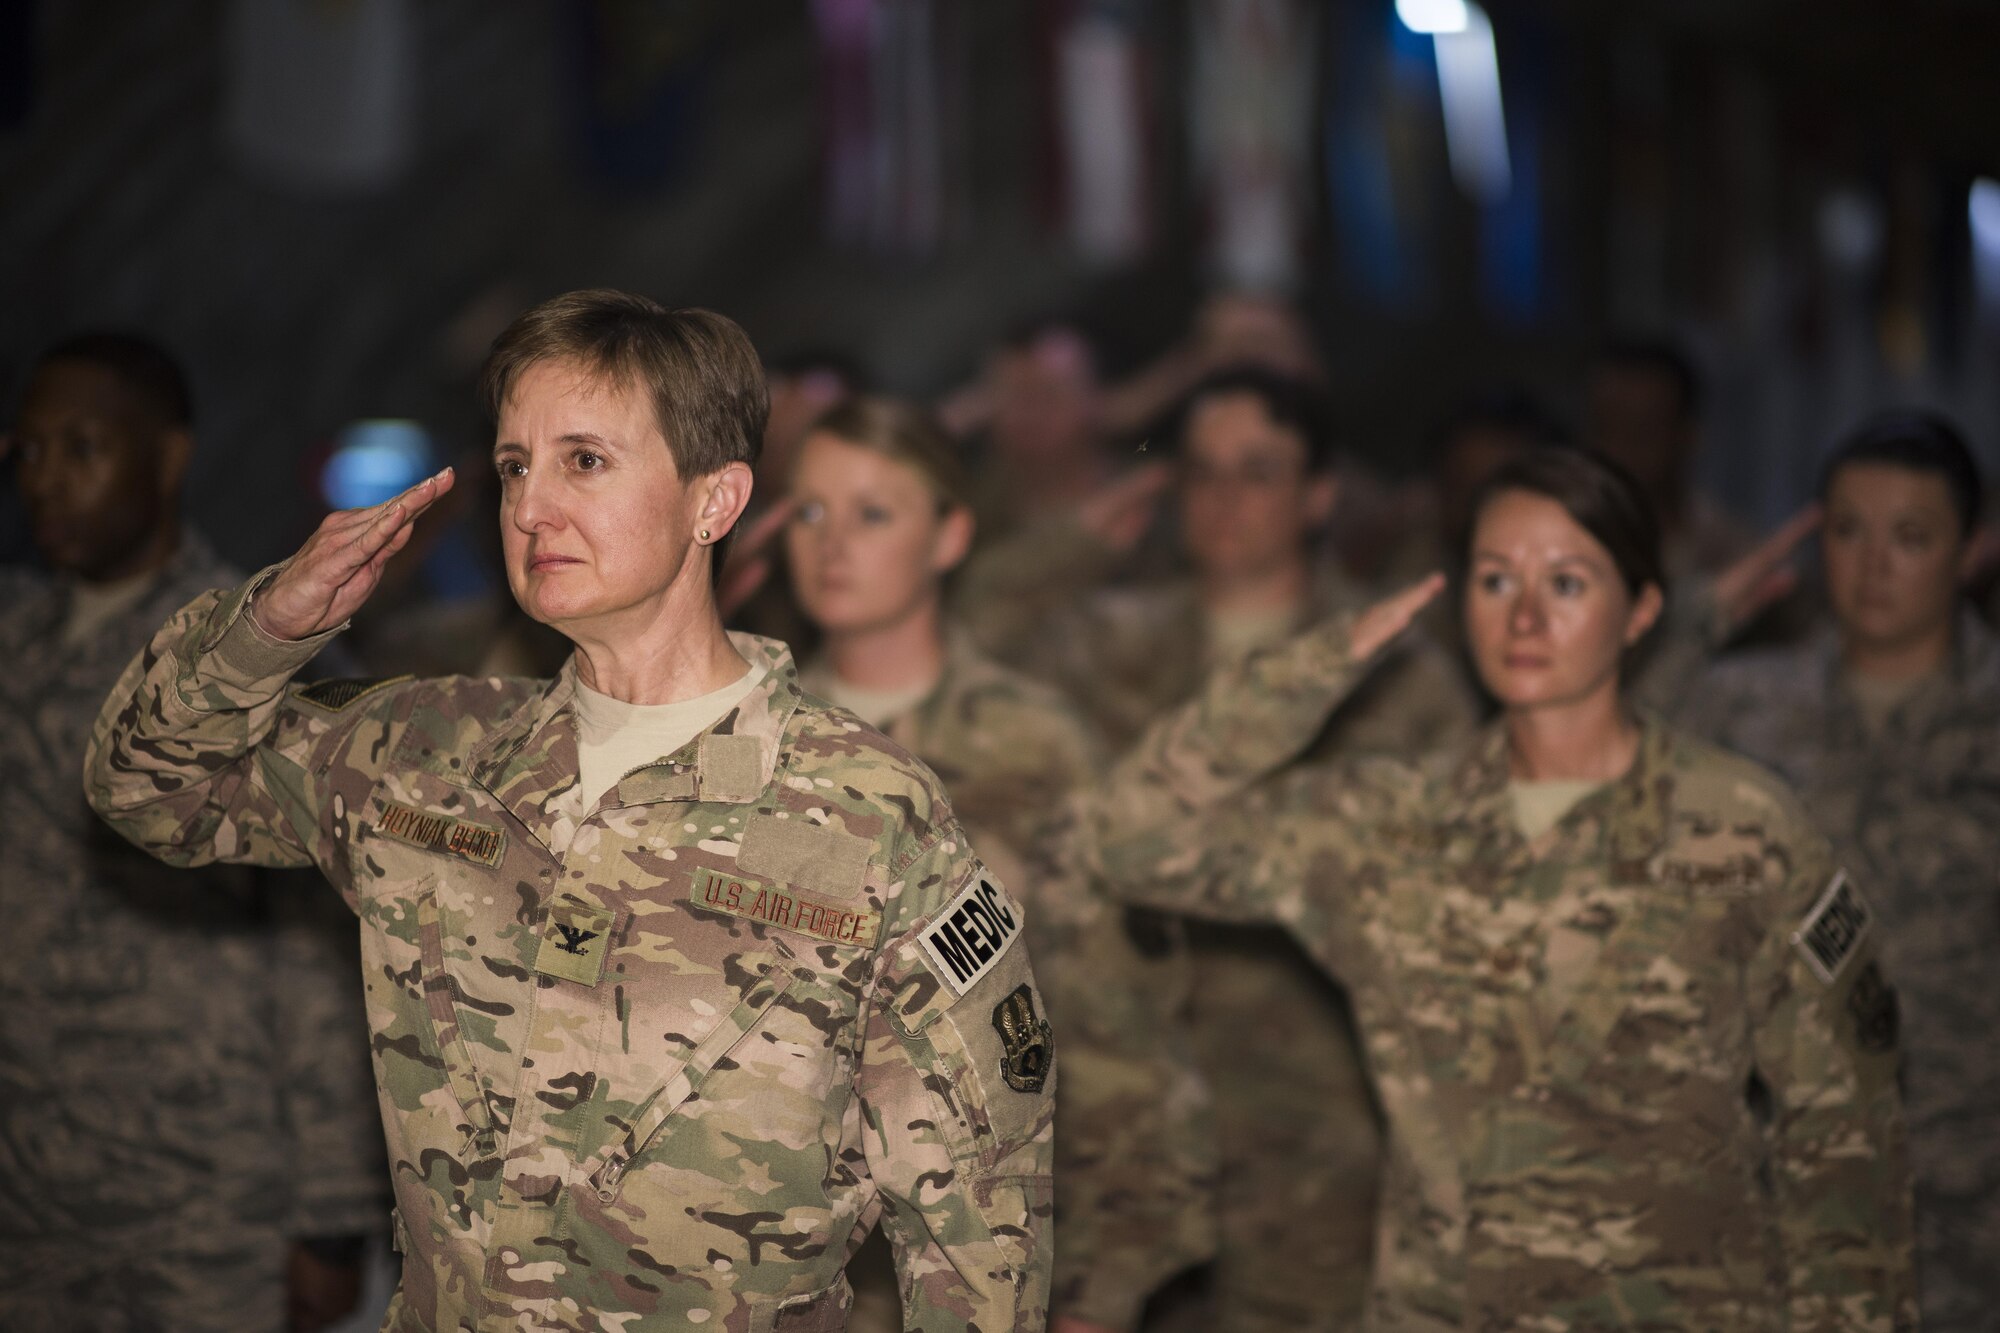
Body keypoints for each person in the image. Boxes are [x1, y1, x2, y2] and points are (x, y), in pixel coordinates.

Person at [84, 291, 1055, 1332]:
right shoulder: (422, 751)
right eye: (514, 466)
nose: (531, 508)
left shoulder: (868, 816)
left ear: (715, 502)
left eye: (583, 460)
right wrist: (266, 630)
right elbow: (144, 786)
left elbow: (978, 1222)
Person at [1083, 446, 1917, 1330]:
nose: (1524, 616)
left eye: (1566, 583)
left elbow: (1845, 1129)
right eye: (1494, 580)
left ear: (1640, 611)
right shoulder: (1382, 823)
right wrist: (1308, 671)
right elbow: (1128, 836)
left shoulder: (1745, 828)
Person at [968, 366, 1477, 1333]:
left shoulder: (1398, 676)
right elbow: (959, 646)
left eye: (1259, 471)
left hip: (1312, 1126)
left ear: (1320, 494)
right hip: (1116, 1122)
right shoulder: (1095, 642)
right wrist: (1070, 548)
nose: (1224, 498)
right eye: (1201, 470)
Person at [780, 395, 1215, 1333]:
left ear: (951, 535)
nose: (831, 543)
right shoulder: (749, 739)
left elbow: (1115, 1035)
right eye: (810, 510)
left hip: (985, 1275)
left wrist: (1098, 1291)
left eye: (873, 513)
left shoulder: (1038, 745)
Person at [0, 332, 385, 1331]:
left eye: (83, 448)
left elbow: (320, 943)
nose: (46, 479)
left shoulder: (250, 653)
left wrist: (332, 1212)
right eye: (27, 451)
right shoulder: (11, 638)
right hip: (27, 1184)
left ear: (169, 457)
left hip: (206, 1189)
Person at [1681, 410, 1999, 1329]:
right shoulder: (1739, 702)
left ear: (1972, 550)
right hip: (1773, 1195)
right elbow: (1590, 756)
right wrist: (1695, 621)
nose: (1872, 566)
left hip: (1965, 1206)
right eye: (1848, 531)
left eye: (1910, 537)